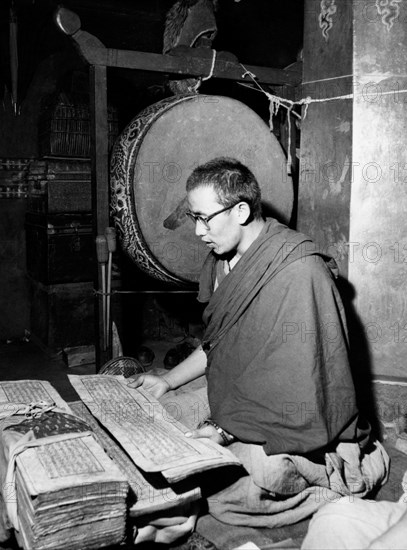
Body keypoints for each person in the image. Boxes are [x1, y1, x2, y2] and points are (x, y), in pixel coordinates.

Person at [128, 157, 389, 527]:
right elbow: (220, 346)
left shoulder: (300, 271)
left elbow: (303, 386)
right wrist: (167, 381)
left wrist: (223, 430)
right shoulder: (224, 257)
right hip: (237, 392)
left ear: (240, 210)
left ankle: (341, 481)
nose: (198, 231)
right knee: (156, 417)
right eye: (193, 218)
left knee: (240, 484)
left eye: (204, 218)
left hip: (294, 415)